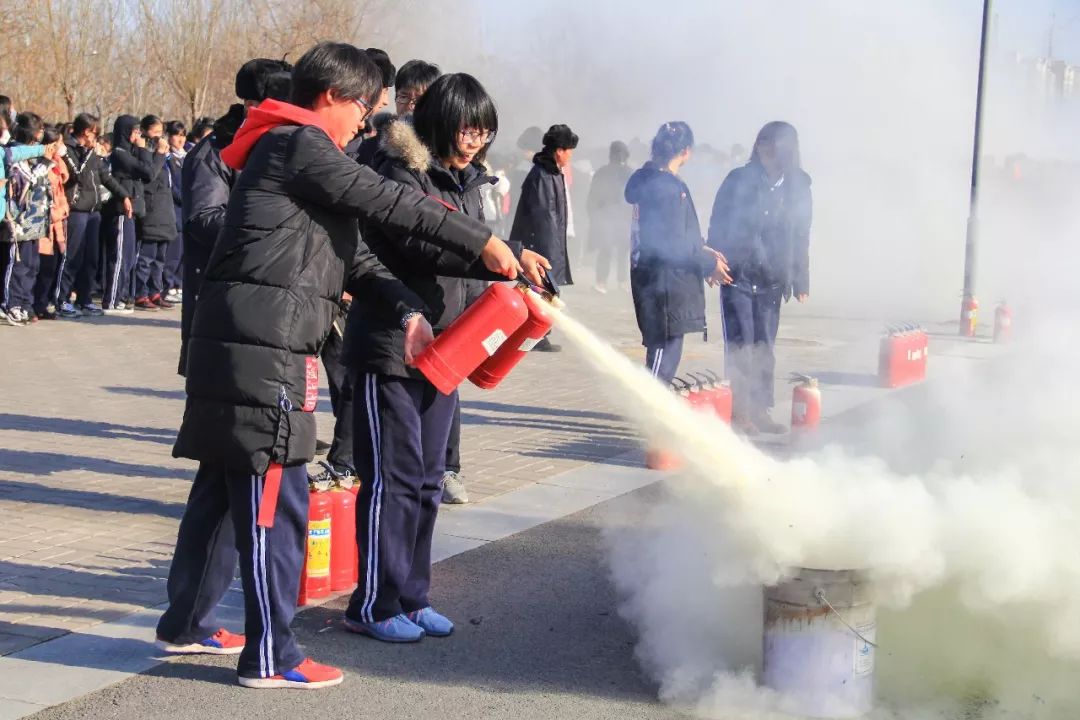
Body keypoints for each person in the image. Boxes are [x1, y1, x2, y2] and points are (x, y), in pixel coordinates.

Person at [157, 41, 525, 690]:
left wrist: (408, 306)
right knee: (277, 497)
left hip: (245, 343)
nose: (367, 122)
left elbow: (353, 255)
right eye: (364, 108)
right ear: (331, 97)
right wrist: (484, 241)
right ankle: (272, 656)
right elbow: (390, 204)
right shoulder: (301, 147)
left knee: (223, 490)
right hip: (265, 350)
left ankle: (187, 623)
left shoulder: (289, 155)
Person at [341, 72, 548, 641]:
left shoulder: (467, 179)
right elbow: (422, 239)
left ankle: (413, 596)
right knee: (393, 477)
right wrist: (497, 255)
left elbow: (476, 236)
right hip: (391, 345)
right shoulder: (397, 170)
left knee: (430, 479)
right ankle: (373, 603)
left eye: (485, 130)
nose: (476, 139)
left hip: (446, 347)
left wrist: (514, 256)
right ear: (439, 121)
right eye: (467, 127)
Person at [178, 57, 291, 376]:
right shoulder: (215, 153)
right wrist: (270, 230)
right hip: (222, 293)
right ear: (254, 105)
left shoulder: (279, 149)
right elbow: (204, 218)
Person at [707, 121, 812, 435]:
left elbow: (802, 233)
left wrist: (800, 278)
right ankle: (740, 411)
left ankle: (761, 408)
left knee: (764, 345)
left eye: (775, 145)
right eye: (763, 143)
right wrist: (712, 260)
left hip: (772, 277)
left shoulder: (798, 186)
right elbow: (718, 219)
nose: (766, 150)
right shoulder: (738, 179)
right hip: (737, 274)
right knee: (741, 343)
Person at [625, 121, 731, 386]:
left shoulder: (651, 181)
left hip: (655, 277)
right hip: (665, 283)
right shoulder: (667, 189)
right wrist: (708, 264)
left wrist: (701, 246)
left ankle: (653, 412)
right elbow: (673, 244)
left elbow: (677, 234)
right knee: (662, 356)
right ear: (686, 151)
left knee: (664, 352)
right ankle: (651, 414)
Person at [508, 123, 578, 351]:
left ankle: (539, 333)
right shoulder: (543, 175)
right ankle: (535, 335)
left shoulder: (551, 172)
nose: (571, 155)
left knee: (547, 289)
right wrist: (550, 254)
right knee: (541, 287)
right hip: (541, 245)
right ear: (560, 150)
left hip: (551, 243)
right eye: (570, 150)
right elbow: (544, 218)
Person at [59, 113, 130, 318]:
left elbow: (105, 177)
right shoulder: (69, 150)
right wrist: (91, 152)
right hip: (77, 210)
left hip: (93, 212)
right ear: (86, 132)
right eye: (94, 132)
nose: (96, 137)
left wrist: (124, 196)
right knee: (72, 257)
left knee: (91, 258)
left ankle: (85, 298)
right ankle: (62, 298)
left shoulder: (93, 154)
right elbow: (78, 174)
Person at [1, 114, 54, 326]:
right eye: (38, 130)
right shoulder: (15, 153)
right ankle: (11, 303)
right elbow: (25, 182)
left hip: (36, 219)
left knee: (33, 265)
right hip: (19, 219)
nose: (41, 135)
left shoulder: (34, 153)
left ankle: (25, 303)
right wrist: (46, 162)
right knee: (18, 264)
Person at [102, 115, 158, 315]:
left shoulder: (131, 151)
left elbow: (149, 171)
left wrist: (144, 150)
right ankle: (111, 299)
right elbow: (146, 171)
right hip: (120, 209)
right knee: (119, 257)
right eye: (134, 131)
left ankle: (122, 297)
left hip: (132, 209)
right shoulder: (119, 152)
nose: (138, 135)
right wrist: (143, 149)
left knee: (128, 257)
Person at [131, 114, 172, 311]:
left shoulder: (161, 153)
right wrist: (160, 154)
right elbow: (150, 175)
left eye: (160, 132)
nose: (159, 136)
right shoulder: (143, 151)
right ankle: (141, 293)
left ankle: (156, 291)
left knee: (160, 258)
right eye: (154, 132)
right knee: (146, 257)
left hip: (164, 210)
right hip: (150, 208)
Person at [32, 126, 70, 320]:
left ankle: (43, 303)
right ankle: (34, 304)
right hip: (44, 225)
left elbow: (61, 194)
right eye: (59, 143)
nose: (62, 147)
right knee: (40, 268)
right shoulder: (42, 167)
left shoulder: (57, 164)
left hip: (57, 226)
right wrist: (58, 212)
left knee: (51, 267)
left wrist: (63, 209)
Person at [587, 140, 634, 293]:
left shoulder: (602, 171)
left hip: (609, 215)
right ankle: (620, 283)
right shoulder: (630, 172)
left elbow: (592, 197)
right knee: (621, 251)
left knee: (608, 249)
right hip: (620, 216)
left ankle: (603, 283)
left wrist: (593, 215)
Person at [162, 120, 187, 303]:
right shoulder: (167, 159)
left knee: (184, 251)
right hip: (174, 209)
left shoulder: (187, 158)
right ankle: (168, 284)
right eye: (176, 135)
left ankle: (178, 283)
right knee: (173, 252)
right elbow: (171, 187)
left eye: (182, 135)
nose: (180, 139)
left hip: (187, 210)